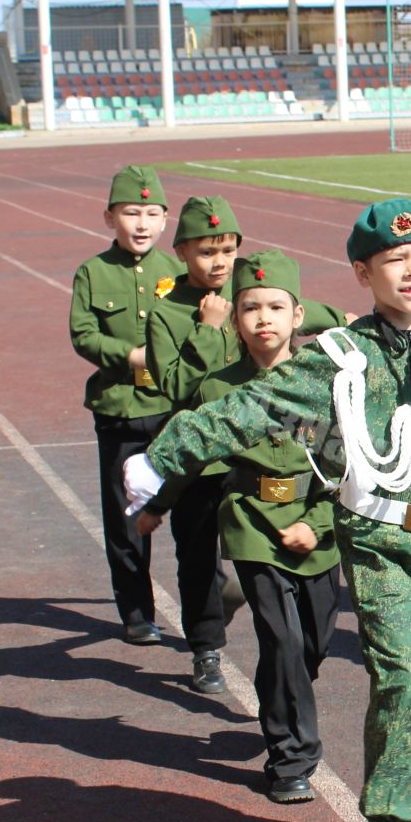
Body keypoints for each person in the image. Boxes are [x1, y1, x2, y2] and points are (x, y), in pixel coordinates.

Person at [126, 199, 411, 822]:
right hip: (377, 539)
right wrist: (165, 456)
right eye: (395, 260)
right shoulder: (341, 357)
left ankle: (410, 800)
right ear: (362, 271)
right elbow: (253, 406)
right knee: (402, 678)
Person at [157, 250, 340, 805]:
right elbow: (191, 453)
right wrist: (154, 502)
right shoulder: (219, 388)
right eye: (250, 307)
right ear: (235, 318)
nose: (264, 317)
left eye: (275, 306)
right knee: (280, 638)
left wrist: (317, 521)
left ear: (298, 315)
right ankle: (291, 759)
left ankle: (277, 693)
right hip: (253, 522)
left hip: (318, 520)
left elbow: (347, 464)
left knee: (311, 644)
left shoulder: (325, 381)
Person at [68, 165, 189, 647]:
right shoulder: (94, 273)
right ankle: (138, 612)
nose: (141, 223)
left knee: (191, 511)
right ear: (109, 217)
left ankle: (200, 601)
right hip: (120, 408)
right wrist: (130, 355)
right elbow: (83, 334)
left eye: (151, 213)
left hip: (173, 410)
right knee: (126, 517)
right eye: (130, 213)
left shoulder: (178, 273)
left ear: (165, 220)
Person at [139, 194, 241, 694]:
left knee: (246, 564)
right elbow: (175, 387)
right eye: (205, 251)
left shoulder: (250, 292)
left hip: (250, 453)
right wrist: (208, 328)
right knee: (197, 556)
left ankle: (220, 610)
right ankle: (205, 650)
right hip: (198, 459)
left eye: (226, 250)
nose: (218, 261)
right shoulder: (167, 314)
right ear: (181, 252)